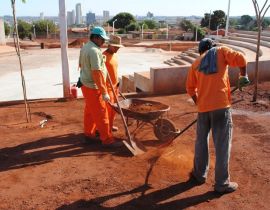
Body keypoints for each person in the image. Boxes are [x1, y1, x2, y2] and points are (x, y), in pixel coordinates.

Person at [186, 38, 250, 193]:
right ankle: (221, 183)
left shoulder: (196, 63)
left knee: (201, 142)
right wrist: (243, 75)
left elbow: (189, 88)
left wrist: (199, 102)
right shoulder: (220, 51)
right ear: (211, 47)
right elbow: (242, 59)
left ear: (200, 51)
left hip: (203, 110)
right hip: (221, 107)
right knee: (222, 145)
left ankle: (199, 175)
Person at [79, 26, 123, 147]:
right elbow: (97, 73)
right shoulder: (94, 51)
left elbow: (81, 65)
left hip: (86, 84)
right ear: (96, 37)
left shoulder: (86, 47)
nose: (104, 42)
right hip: (93, 87)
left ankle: (89, 134)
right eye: (102, 39)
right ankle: (107, 140)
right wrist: (104, 92)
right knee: (101, 113)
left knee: (90, 111)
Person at [103, 35, 124, 132]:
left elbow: (114, 70)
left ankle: (110, 125)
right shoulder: (103, 56)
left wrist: (117, 82)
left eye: (118, 47)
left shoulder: (115, 55)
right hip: (107, 87)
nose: (117, 49)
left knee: (114, 110)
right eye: (115, 47)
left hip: (115, 86)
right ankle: (104, 128)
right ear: (109, 45)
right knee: (107, 109)